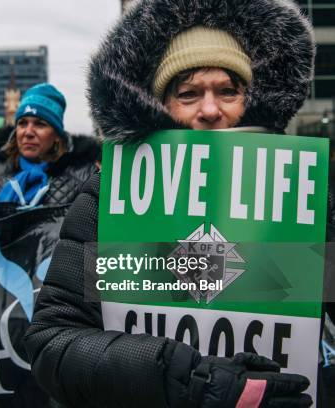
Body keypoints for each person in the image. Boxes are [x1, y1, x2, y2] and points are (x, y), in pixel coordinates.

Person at [24, 0, 319, 407]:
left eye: (228, 90)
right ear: (162, 104)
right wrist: (185, 378)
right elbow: (53, 343)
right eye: (189, 93)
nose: (211, 110)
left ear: (251, 99)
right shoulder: (110, 194)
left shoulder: (301, 196)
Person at [0, 83, 100, 206]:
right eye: (22, 123)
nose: (28, 132)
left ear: (57, 136)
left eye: (40, 124)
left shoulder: (83, 176)